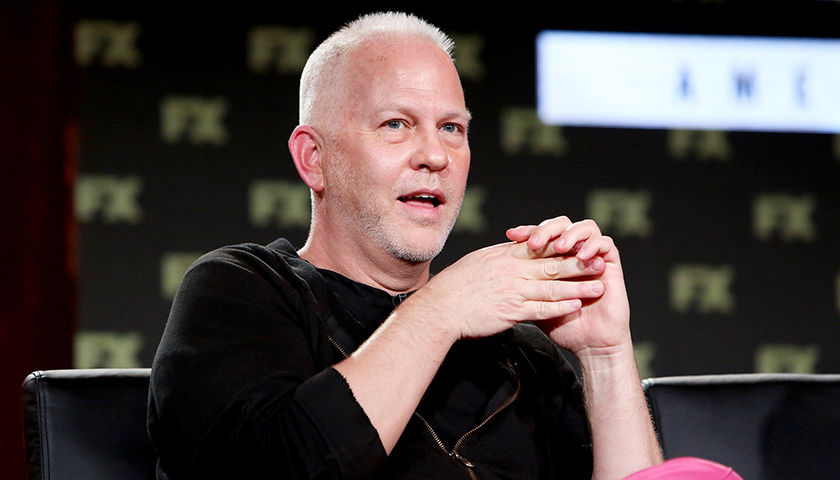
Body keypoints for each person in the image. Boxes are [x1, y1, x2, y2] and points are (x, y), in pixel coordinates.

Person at [148, 11, 673, 480]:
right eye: (396, 124)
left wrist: (605, 353)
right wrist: (441, 310)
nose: (435, 155)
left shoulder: (525, 356)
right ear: (314, 158)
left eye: (452, 128)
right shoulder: (242, 289)